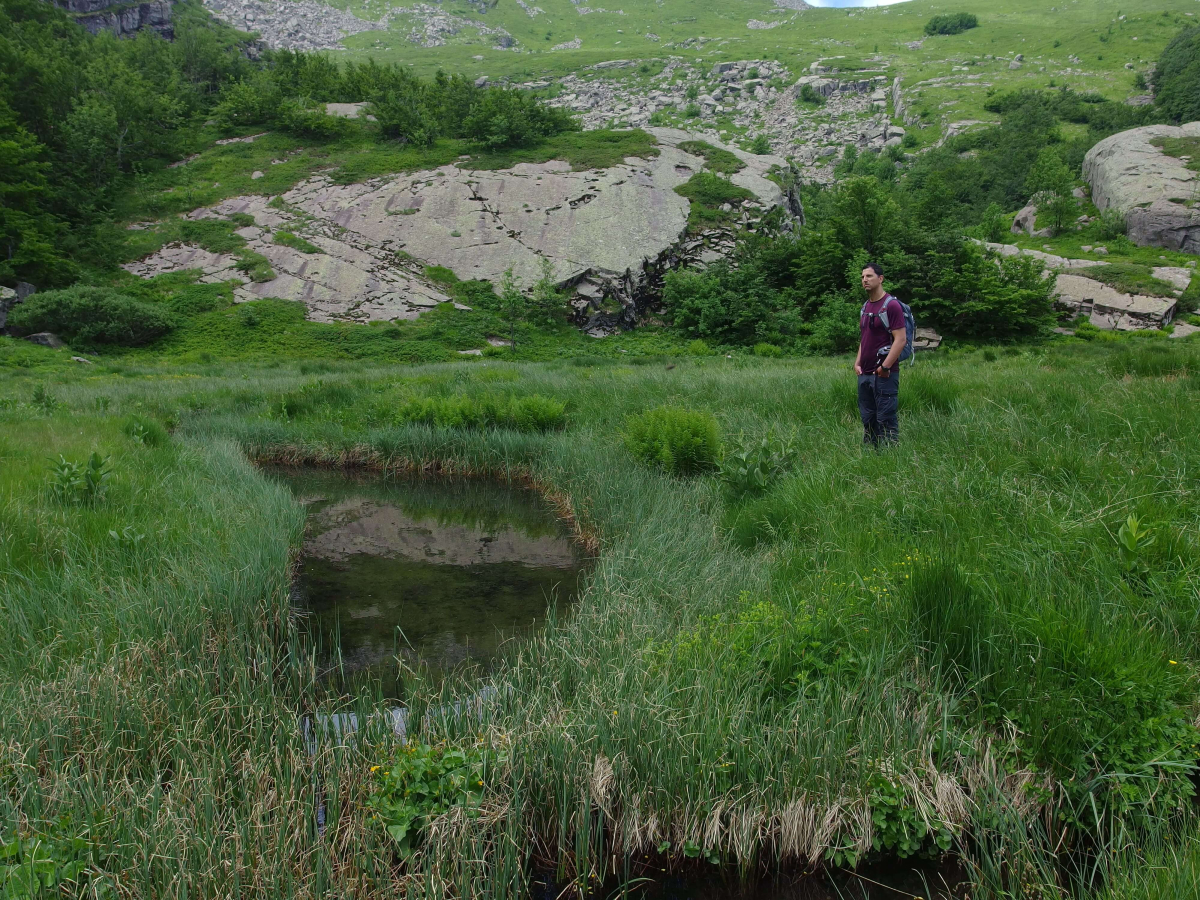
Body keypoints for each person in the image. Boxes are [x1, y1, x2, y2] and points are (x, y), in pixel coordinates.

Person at [854, 263, 906, 447]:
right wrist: (857, 362)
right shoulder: (865, 306)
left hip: (884, 375)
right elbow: (865, 338)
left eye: (869, 276)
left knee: (886, 419)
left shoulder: (891, 306)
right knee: (868, 419)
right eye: (862, 277)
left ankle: (890, 456)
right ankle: (871, 456)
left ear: (880, 278)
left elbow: (900, 339)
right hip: (865, 373)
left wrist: (885, 367)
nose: (865, 280)